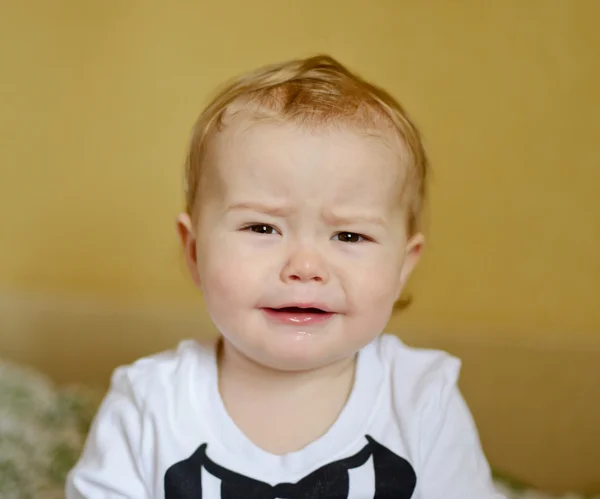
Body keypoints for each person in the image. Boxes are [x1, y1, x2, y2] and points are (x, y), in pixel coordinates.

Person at [67, 54, 504, 498]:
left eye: (349, 235)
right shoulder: (150, 404)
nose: (305, 268)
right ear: (195, 251)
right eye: (262, 228)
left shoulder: (421, 401)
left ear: (403, 266)